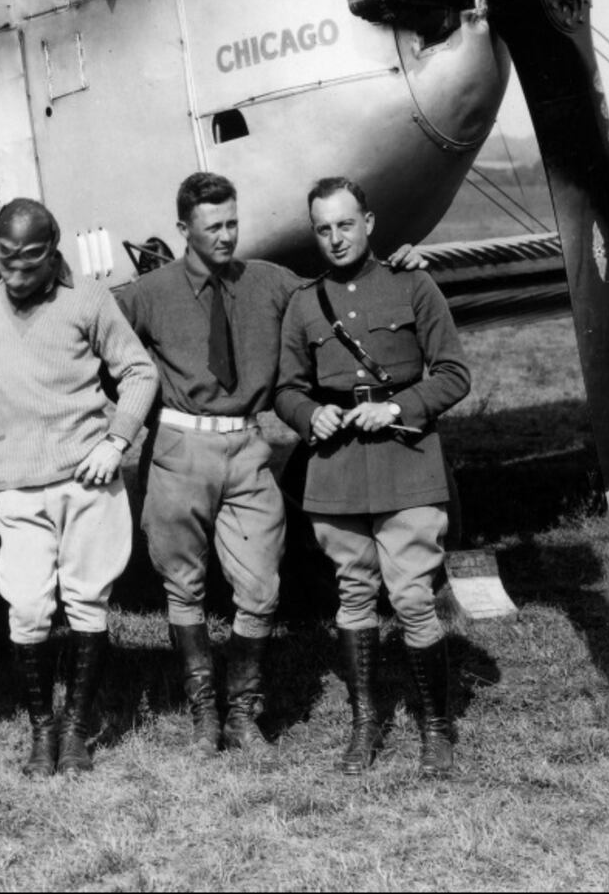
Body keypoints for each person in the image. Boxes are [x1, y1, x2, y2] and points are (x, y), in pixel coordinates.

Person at [119, 173, 428, 754]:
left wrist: (398, 264)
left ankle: (243, 712)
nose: (226, 236)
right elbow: (91, 330)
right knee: (182, 585)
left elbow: (340, 292)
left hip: (248, 448)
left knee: (260, 588)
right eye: (213, 228)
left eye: (233, 223)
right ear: (184, 229)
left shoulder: (269, 282)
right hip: (179, 448)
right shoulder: (148, 293)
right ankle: (204, 717)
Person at [275, 176, 471, 778]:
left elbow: (454, 374)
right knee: (353, 595)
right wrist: (312, 413)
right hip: (336, 469)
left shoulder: (413, 284)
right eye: (323, 228)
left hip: (405, 458)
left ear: (369, 223)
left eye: (345, 224)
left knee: (412, 596)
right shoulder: (305, 303)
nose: (335, 238)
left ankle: (435, 729)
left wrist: (398, 407)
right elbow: (285, 389)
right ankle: (365, 726)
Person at [0, 198, 158, 776]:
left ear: (54, 254)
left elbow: (138, 372)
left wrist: (116, 442)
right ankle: (40, 730)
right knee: (25, 609)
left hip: (86, 479)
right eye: (6, 261)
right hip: (19, 484)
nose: (16, 276)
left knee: (87, 605)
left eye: (30, 262)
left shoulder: (89, 299)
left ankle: (75, 730)